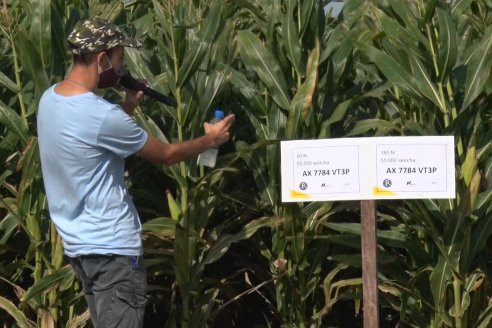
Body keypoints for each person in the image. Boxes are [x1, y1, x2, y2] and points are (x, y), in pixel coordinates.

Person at [37, 17, 234, 328]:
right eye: (119, 59)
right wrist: (211, 139)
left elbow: (94, 144)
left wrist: (128, 106)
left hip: (81, 250)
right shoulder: (101, 116)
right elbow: (167, 156)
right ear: (102, 59)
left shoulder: (49, 100)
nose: (121, 68)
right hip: (114, 252)